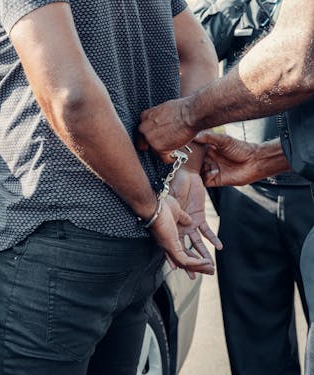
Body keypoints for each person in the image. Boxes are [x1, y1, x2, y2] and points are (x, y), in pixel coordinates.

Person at [0, 1, 221, 374]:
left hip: (60, 234)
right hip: (134, 247)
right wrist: (184, 168)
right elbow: (201, 55)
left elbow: (71, 97)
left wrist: (151, 207)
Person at [136, 0, 314, 371]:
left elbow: (297, 61)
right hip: (247, 188)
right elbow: (196, 46)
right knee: (255, 346)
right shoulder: (237, 6)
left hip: (305, 187)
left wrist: (186, 116)